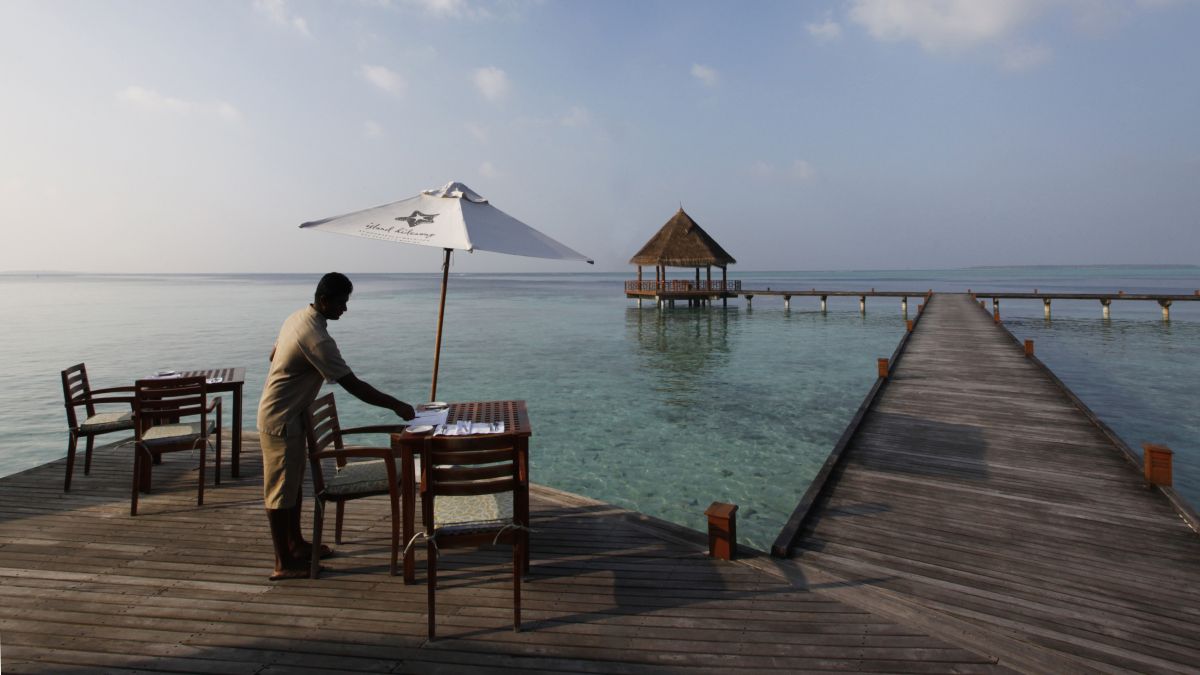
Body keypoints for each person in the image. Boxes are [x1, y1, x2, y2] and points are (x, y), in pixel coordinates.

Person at [257, 272, 415, 581]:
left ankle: (296, 544)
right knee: (278, 492)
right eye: (342, 303)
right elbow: (353, 385)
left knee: (290, 486)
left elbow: (273, 354)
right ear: (325, 301)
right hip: (281, 420)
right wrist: (396, 405)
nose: (345, 309)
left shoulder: (297, 318)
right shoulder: (316, 339)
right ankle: (283, 562)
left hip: (290, 416)